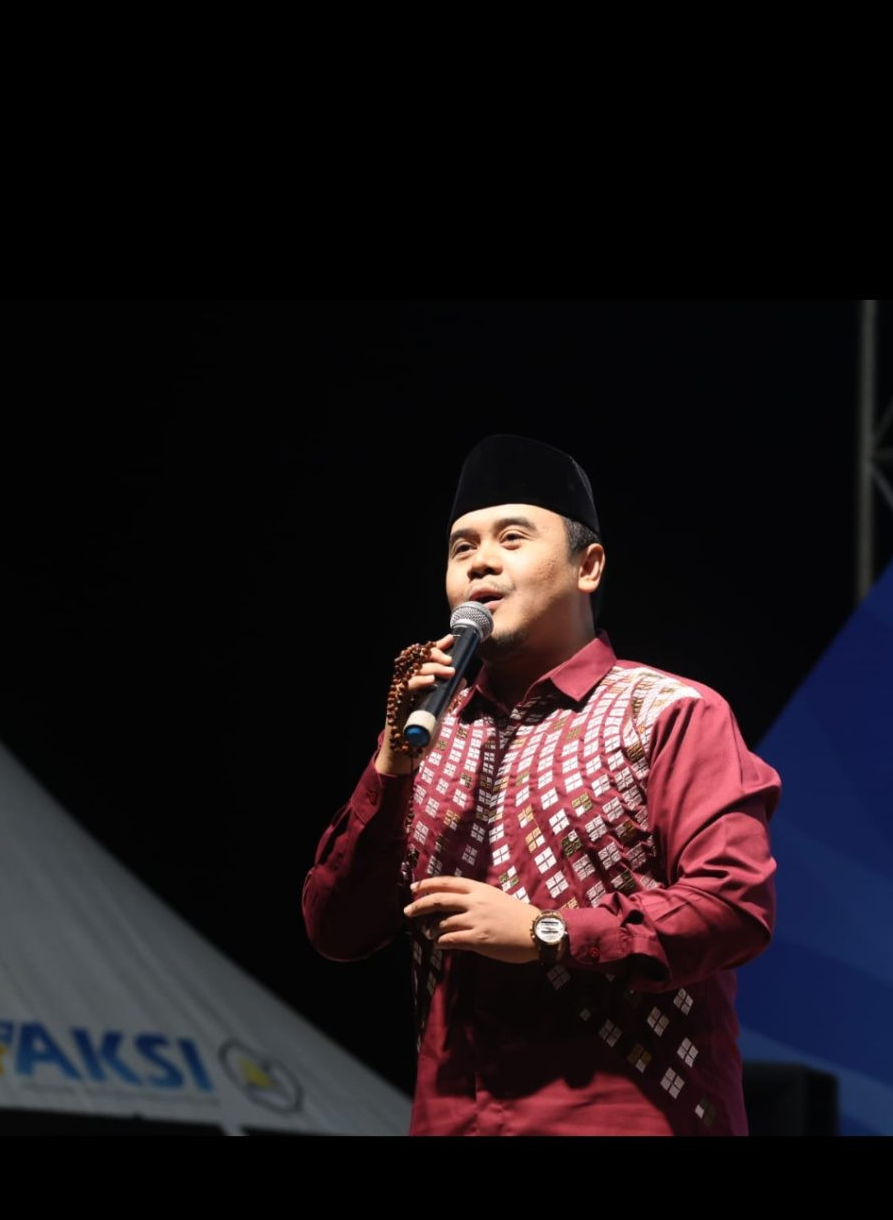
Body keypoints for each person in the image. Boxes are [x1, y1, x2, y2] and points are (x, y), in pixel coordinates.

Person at [302, 434, 782, 1138]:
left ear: (588, 567)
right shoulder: (425, 732)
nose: (481, 561)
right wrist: (390, 764)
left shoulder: (669, 712)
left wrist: (546, 932)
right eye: (461, 548)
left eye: (512, 538)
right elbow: (335, 931)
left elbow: (734, 905)